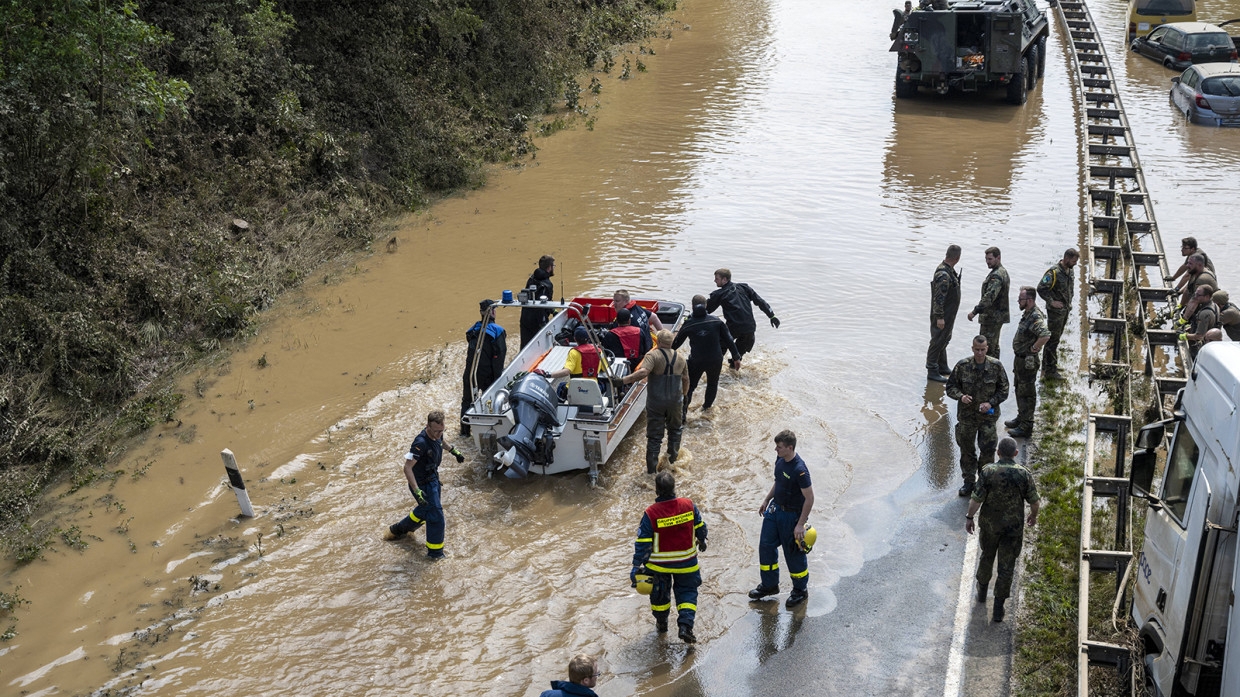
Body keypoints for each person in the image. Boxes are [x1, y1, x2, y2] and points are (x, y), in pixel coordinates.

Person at [966, 437, 1040, 623]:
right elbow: (1034, 501)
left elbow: (976, 499)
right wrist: (1033, 516)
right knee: (1006, 567)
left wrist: (969, 518)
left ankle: (982, 593)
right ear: (1015, 453)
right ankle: (998, 609)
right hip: (1012, 529)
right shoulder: (1024, 474)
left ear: (998, 452)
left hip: (990, 526)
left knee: (986, 557)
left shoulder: (988, 471)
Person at [631, 471, 708, 644]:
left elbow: (643, 543)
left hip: (659, 567)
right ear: (674, 487)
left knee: (659, 598)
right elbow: (701, 526)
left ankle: (662, 624)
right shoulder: (688, 505)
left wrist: (636, 566)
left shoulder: (651, 513)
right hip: (687, 564)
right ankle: (685, 627)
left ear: (656, 491)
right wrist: (702, 540)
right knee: (687, 593)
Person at [384, 411, 465, 558]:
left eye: (442, 430)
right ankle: (435, 555)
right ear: (427, 426)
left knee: (426, 511)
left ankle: (396, 531)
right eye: (436, 431)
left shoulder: (438, 433)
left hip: (433, 480)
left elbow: (441, 442)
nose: (439, 434)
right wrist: (417, 491)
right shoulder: (420, 443)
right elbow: (407, 468)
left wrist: (454, 451)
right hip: (421, 485)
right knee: (436, 516)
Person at [749, 430, 814, 609]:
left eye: (779, 447)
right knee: (766, 546)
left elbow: (809, 498)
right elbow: (778, 481)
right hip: (775, 510)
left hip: (791, 516)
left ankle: (800, 590)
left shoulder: (800, 470)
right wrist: (766, 499)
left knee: (792, 553)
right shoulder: (780, 460)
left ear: (790, 448)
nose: (775, 449)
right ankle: (770, 585)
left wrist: (800, 524)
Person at [946, 335, 1010, 497]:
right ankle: (969, 482)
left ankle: (985, 481)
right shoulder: (962, 366)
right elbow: (950, 387)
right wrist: (961, 396)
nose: (980, 353)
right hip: (967, 417)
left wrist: (991, 403)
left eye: (982, 350)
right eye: (977, 350)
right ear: (972, 348)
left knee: (988, 450)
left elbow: (1004, 390)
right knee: (967, 449)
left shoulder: (996, 366)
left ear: (987, 348)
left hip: (987, 418)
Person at [622, 330, 689, 473]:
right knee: (675, 431)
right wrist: (684, 394)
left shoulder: (653, 355)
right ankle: (671, 464)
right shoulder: (681, 358)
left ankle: (651, 472)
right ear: (671, 342)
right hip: (675, 402)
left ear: (658, 341)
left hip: (656, 402)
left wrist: (623, 380)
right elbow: (685, 379)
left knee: (654, 438)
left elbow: (643, 372)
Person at [673, 294, 742, 416]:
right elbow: (729, 340)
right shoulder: (716, 321)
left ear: (693, 306)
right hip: (715, 359)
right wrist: (736, 357)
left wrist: (663, 354)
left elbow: (676, 344)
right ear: (706, 306)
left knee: (690, 386)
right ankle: (706, 409)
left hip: (696, 361)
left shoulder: (689, 324)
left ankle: (682, 414)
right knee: (712, 384)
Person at [1005, 287, 1050, 439]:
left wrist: (1034, 347)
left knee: (1027, 393)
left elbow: (1045, 335)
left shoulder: (1035, 317)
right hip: (1020, 359)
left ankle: (1026, 426)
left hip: (1027, 361)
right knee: (1019, 389)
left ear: (1029, 300)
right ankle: (1021, 417)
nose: (1018, 301)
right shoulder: (1028, 314)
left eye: (1021, 299)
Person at [706, 268, 779, 358]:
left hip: (733, 327)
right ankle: (733, 369)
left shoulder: (719, 294)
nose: (714, 281)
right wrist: (772, 316)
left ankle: (715, 369)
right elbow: (760, 301)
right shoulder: (744, 288)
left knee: (718, 351)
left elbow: (706, 310)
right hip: (750, 328)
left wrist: (691, 318)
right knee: (737, 358)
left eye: (717, 279)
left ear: (724, 279)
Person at [460, 299, 506, 437]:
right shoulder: (497, 331)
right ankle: (488, 432)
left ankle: (464, 432)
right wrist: (498, 381)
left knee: (467, 401)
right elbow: (499, 356)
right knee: (489, 403)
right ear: (492, 312)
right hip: (487, 374)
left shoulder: (473, 329)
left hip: (470, 373)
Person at [1036, 248, 1079, 380]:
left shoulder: (1070, 270)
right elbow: (1041, 288)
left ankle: (1049, 365)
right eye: (1073, 261)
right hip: (1055, 313)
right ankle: (1050, 371)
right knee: (1052, 340)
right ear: (1066, 258)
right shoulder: (1053, 272)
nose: (1075, 264)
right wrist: (1051, 301)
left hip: (1065, 311)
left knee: (1056, 339)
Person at [967, 247, 1010, 359]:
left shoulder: (997, 275)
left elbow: (989, 297)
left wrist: (974, 312)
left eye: (990, 259)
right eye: (986, 259)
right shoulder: (1001, 272)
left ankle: (988, 374)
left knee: (987, 348)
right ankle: (996, 372)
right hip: (996, 317)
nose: (987, 262)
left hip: (992, 318)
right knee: (994, 346)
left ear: (998, 258)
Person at [928, 244, 962, 382]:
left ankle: (942, 366)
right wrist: (940, 317)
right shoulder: (943, 274)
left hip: (948, 313)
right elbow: (939, 298)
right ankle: (932, 370)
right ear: (957, 258)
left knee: (944, 339)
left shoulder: (949, 270)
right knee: (937, 340)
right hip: (942, 314)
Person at [613, 289, 661, 361]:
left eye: (617, 301)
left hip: (642, 355)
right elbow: (654, 317)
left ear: (626, 301)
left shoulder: (625, 319)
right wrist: (663, 335)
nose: (614, 304)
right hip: (649, 344)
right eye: (614, 301)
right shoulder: (637, 308)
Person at [520, 255, 556, 348]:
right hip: (538, 320)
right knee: (540, 347)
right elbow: (545, 302)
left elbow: (532, 297)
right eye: (553, 266)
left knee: (524, 345)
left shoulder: (531, 278)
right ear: (549, 268)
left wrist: (553, 310)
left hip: (525, 316)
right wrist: (544, 321)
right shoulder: (547, 284)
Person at [1179, 284, 1219, 360]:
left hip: (1202, 347)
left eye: (1198, 295)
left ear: (1207, 296)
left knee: (1192, 361)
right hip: (1211, 344)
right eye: (1195, 293)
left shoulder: (1205, 313)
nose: (1195, 296)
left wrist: (1183, 336)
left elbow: (1199, 336)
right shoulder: (1214, 305)